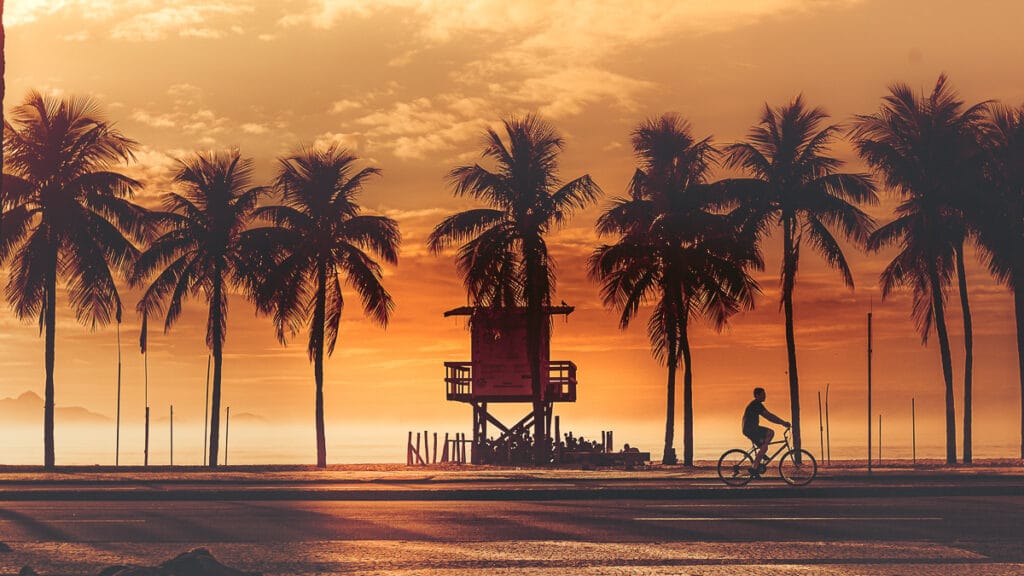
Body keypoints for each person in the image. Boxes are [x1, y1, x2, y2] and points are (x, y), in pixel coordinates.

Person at [742, 387, 790, 474]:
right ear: (757, 395)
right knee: (770, 433)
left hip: (749, 428)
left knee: (764, 444)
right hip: (751, 429)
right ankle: (755, 467)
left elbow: (768, 416)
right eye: (763, 394)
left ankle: (761, 455)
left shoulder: (755, 404)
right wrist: (783, 423)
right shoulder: (756, 404)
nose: (765, 396)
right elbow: (769, 416)